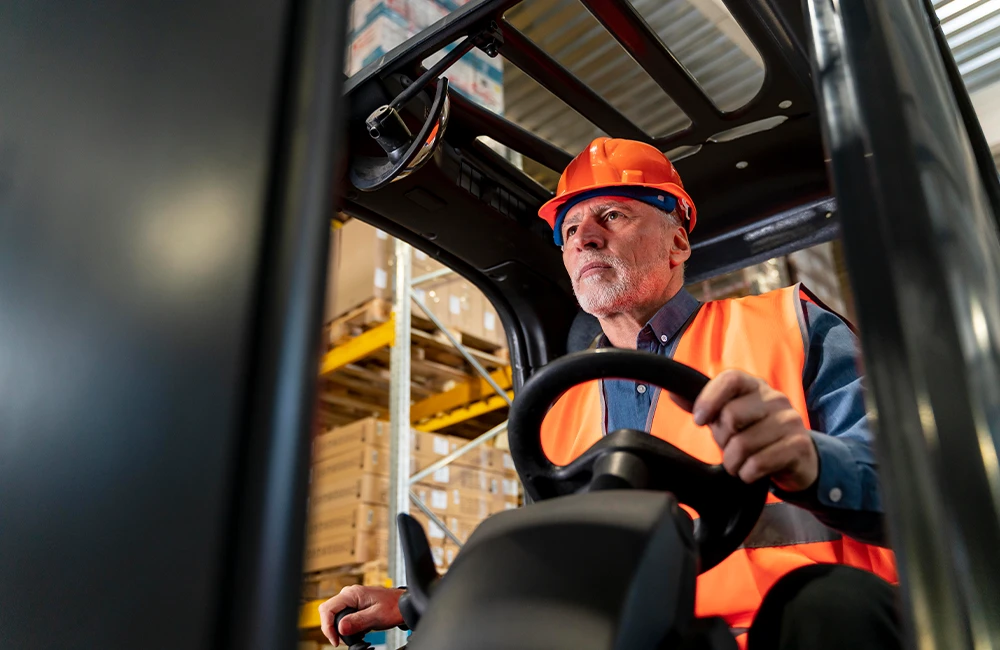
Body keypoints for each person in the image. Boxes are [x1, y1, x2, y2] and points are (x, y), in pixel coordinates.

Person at [318, 138, 902, 649]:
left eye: (613, 215)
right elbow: (555, 560)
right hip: (629, 635)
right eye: (570, 231)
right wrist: (420, 602)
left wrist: (812, 460)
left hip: (788, 627)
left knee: (829, 604)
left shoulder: (790, 326)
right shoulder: (560, 408)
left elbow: (910, 483)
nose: (585, 238)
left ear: (677, 241)